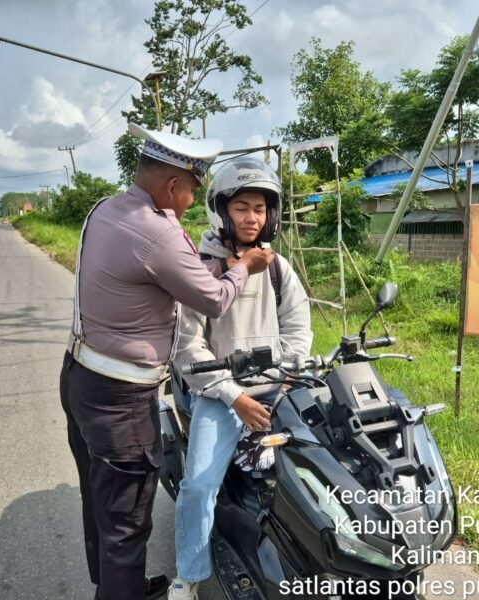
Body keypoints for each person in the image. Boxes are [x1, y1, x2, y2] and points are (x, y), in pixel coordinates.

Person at [59, 124, 275, 600]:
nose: (193, 202)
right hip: (121, 397)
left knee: (99, 496)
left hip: (80, 375)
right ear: (173, 185)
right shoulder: (160, 232)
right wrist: (243, 268)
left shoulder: (106, 209)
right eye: (192, 191)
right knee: (127, 521)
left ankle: (123, 583)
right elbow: (215, 300)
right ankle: (121, 591)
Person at [167, 156, 313, 600]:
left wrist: (288, 378)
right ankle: (188, 574)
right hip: (222, 396)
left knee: (320, 463)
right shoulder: (200, 267)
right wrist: (234, 397)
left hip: (279, 386)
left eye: (261, 208)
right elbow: (188, 346)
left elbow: (298, 326)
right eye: (243, 207)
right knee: (199, 486)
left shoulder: (276, 267)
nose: (253, 217)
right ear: (221, 209)